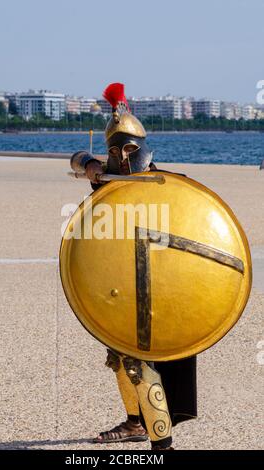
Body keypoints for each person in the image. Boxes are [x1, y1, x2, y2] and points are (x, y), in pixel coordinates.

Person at [70, 83, 197, 450]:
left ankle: (162, 445)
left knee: (144, 362)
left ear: (141, 149)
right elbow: (74, 158)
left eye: (128, 149)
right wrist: (91, 165)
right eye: (113, 151)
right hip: (120, 286)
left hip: (161, 287)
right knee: (120, 358)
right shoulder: (106, 182)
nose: (122, 157)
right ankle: (134, 423)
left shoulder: (166, 184)